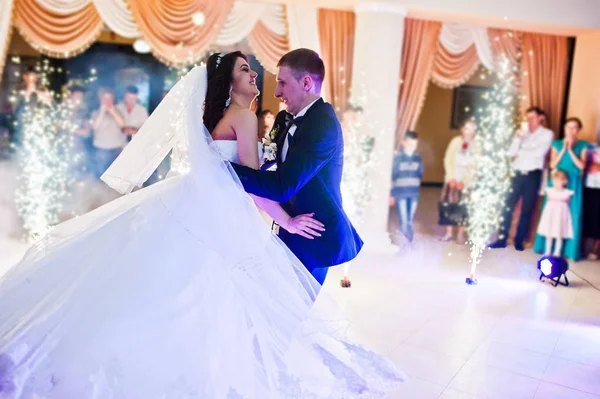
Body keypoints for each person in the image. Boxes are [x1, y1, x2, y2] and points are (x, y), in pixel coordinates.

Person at [0, 52, 404, 397]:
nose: (268, 85)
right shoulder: (250, 118)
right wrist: (266, 206)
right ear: (228, 82)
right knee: (235, 297)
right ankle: (240, 370)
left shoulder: (312, 122)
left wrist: (222, 175)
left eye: (278, 81)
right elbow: (260, 182)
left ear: (307, 82)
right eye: (249, 72)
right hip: (257, 217)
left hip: (311, 231)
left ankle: (248, 368)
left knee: (267, 306)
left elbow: (274, 181)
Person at [230, 49, 363, 286]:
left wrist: (225, 169)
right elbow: (265, 160)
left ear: (306, 82)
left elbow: (283, 186)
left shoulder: (323, 125)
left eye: (282, 82)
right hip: (289, 229)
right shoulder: (283, 119)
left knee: (292, 316)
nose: (276, 92)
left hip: (313, 236)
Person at [489, 107, 553, 251]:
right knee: (507, 207)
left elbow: (540, 152)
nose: (529, 121)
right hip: (517, 173)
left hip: (532, 175)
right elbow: (511, 152)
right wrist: (518, 139)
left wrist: (522, 151)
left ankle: (519, 240)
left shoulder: (547, 134)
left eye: (533, 118)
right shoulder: (522, 132)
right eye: (527, 118)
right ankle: (501, 239)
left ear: (540, 118)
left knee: (526, 209)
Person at [533, 117, 588, 261]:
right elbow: (552, 164)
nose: (571, 130)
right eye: (568, 127)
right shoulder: (556, 144)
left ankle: (568, 250)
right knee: (552, 215)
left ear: (579, 129)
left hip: (573, 182)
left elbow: (582, 166)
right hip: (556, 181)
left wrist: (570, 151)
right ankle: (546, 248)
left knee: (572, 215)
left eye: (574, 127)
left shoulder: (583, 145)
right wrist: (563, 149)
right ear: (564, 128)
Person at [439, 120, 477, 243]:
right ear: (462, 129)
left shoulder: (477, 145)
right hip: (452, 179)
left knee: (464, 208)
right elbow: (447, 159)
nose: (468, 132)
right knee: (448, 206)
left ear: (474, 132)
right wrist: (451, 178)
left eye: (471, 129)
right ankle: (448, 233)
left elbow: (475, 166)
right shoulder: (455, 141)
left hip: (467, 182)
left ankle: (460, 234)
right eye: (466, 128)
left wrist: (465, 181)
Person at [389, 130, 423, 242]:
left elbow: (420, 174)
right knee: (403, 220)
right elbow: (393, 176)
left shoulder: (418, 159)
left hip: (413, 194)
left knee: (410, 219)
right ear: (403, 143)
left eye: (414, 144)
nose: (411, 146)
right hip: (401, 193)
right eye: (409, 143)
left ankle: (409, 241)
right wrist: (392, 194)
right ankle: (405, 245)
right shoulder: (398, 159)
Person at [536, 169, 574, 256]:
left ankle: (557, 252)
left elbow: (567, 202)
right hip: (551, 215)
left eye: (559, 180)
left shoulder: (567, 192)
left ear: (564, 181)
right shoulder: (550, 190)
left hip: (560, 215)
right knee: (549, 233)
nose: (556, 183)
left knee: (559, 233)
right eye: (554, 180)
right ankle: (547, 251)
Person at [91, 88, 126, 178]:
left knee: (117, 177)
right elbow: (95, 126)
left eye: (110, 98)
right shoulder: (95, 113)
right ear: (100, 99)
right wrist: (102, 111)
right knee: (101, 177)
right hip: (101, 150)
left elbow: (122, 124)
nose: (107, 101)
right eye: (105, 98)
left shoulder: (118, 110)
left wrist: (112, 111)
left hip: (117, 149)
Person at [583, 139, 600, 260]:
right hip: (587, 186)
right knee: (585, 216)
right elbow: (583, 163)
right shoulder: (590, 147)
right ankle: (582, 247)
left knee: (598, 219)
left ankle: (594, 250)